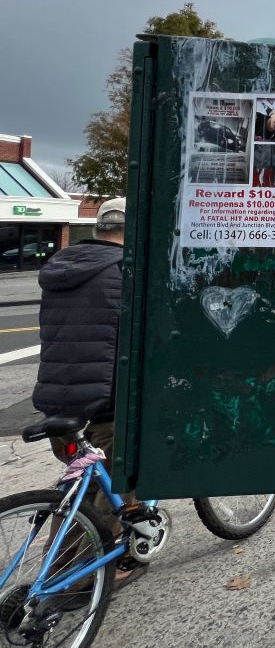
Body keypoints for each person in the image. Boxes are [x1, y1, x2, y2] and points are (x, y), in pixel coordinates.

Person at [34, 197, 142, 581]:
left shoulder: (60, 268)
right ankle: (80, 580)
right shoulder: (125, 271)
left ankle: (63, 563)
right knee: (121, 481)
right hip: (106, 401)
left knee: (82, 488)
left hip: (59, 400)